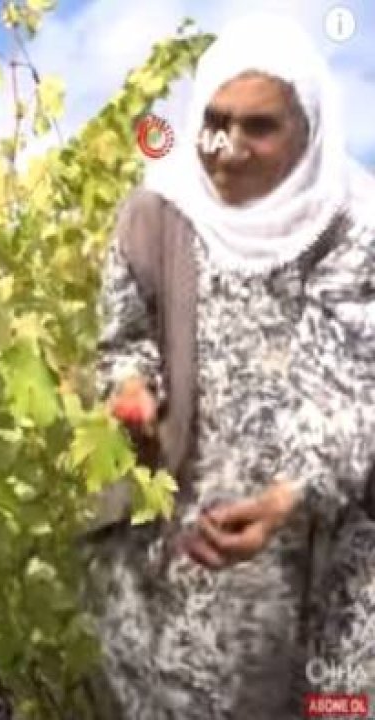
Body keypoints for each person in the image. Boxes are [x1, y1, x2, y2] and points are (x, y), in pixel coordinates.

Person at [82, 13, 375, 720]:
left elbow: (364, 390)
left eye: (260, 127)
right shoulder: (154, 221)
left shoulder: (355, 231)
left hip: (335, 581)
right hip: (191, 574)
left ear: (307, 132)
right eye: (216, 121)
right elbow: (123, 340)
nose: (229, 147)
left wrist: (288, 496)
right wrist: (131, 394)